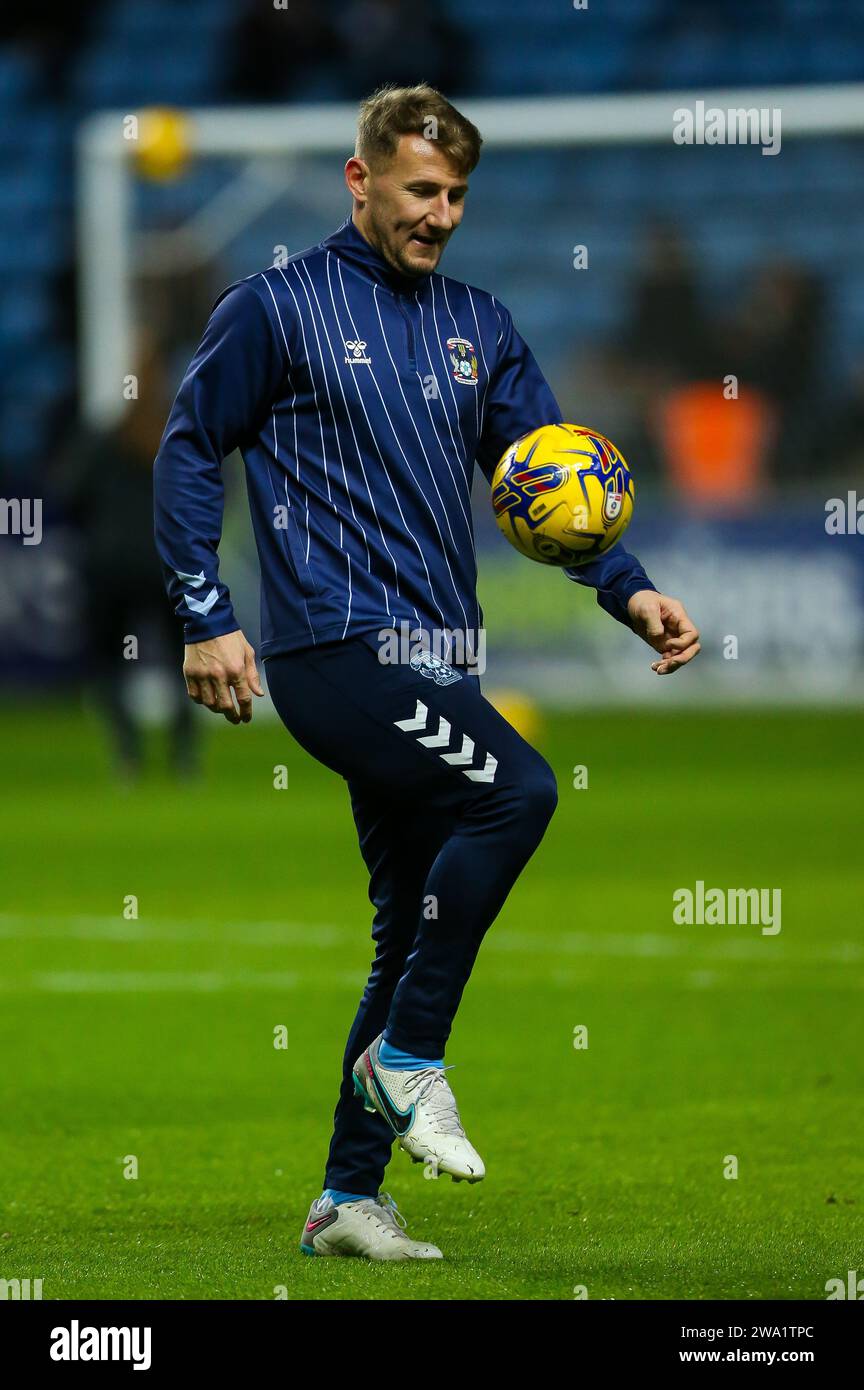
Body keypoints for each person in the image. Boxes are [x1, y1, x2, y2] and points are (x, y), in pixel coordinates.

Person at [153, 84, 700, 1262]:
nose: (438, 213)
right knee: (519, 793)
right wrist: (206, 613)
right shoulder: (276, 308)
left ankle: (346, 1200)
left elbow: (550, 485)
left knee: (404, 932)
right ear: (360, 182)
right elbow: (191, 449)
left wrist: (631, 588)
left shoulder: (481, 326)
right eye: (417, 190)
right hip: (337, 649)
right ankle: (408, 1059)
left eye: (454, 195)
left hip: (440, 659)